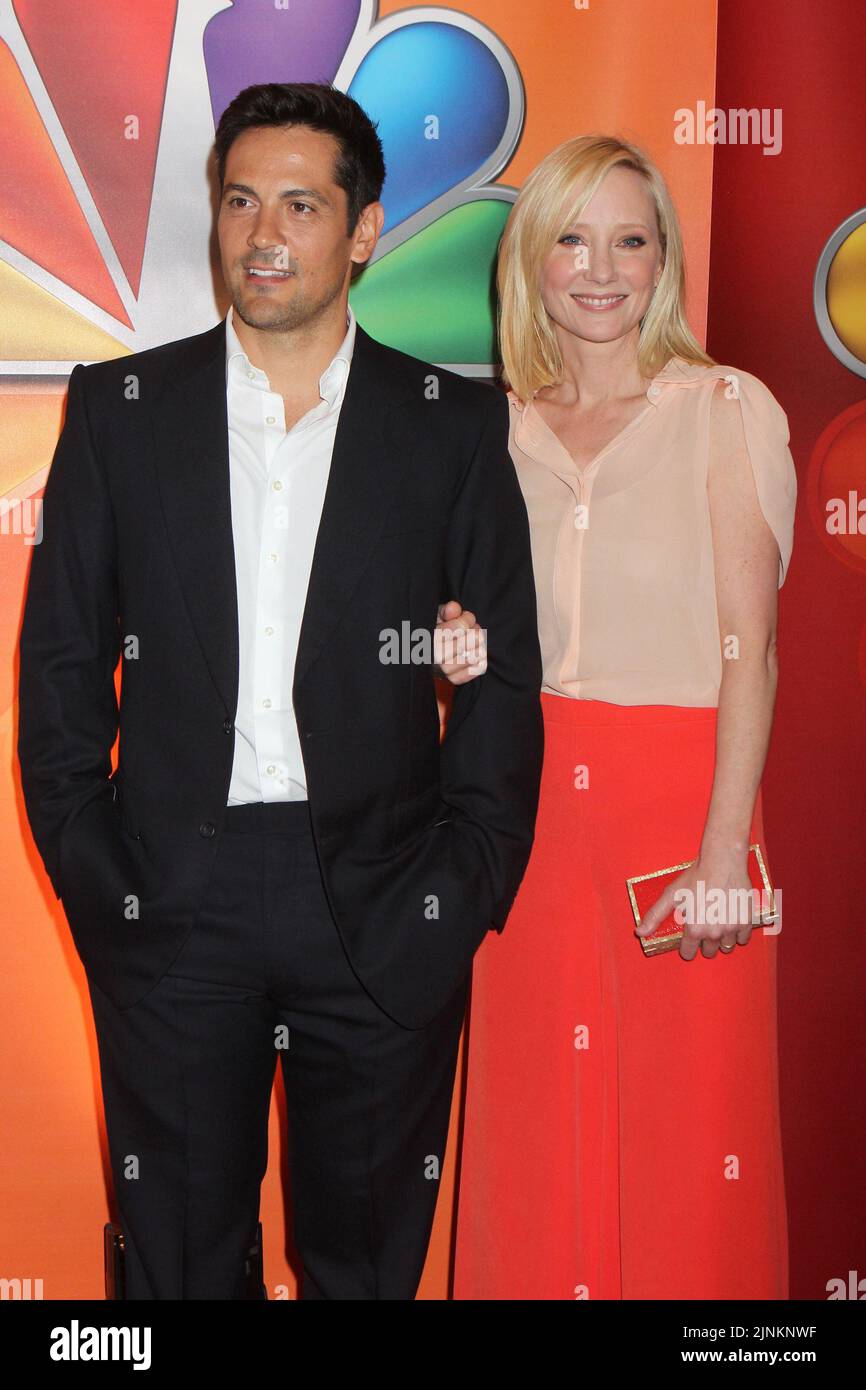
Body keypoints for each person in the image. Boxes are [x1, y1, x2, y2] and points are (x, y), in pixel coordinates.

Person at [17, 82, 543, 1300]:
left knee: (364, 1268)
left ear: (360, 231)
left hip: (382, 902)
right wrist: (103, 880)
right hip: (170, 903)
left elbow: (501, 672)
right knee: (180, 1268)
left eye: (302, 205)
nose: (264, 233)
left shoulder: (451, 427)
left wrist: (459, 885)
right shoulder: (121, 414)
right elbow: (57, 671)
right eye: (242, 200)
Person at [443, 134, 796, 1299]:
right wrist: (453, 655)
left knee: (688, 1135)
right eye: (570, 241)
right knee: (530, 1123)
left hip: (679, 812)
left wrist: (720, 853)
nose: (600, 270)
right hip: (524, 814)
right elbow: (484, 640)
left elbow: (750, 652)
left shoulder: (724, 408)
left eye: (629, 240)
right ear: (529, 264)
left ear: (662, 260)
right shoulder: (490, 432)